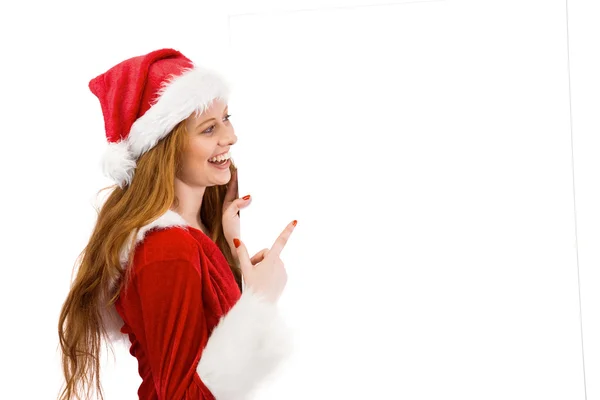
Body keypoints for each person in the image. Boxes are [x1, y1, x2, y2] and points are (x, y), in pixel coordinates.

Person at [57, 48, 296, 400]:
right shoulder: (168, 250)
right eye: (208, 128)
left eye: (227, 118)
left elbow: (213, 360)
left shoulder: (191, 238)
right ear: (165, 149)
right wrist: (260, 301)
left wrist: (227, 252)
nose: (230, 137)